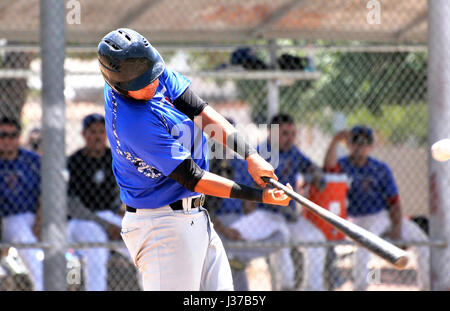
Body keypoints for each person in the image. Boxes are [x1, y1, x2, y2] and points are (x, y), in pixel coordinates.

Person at [97, 28, 291, 291]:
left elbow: (199, 111)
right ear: (119, 86)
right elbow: (193, 178)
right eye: (144, 83)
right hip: (161, 227)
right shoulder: (134, 123)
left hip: (194, 216)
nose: (154, 82)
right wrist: (261, 197)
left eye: (154, 74)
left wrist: (251, 155)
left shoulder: (146, 69)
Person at [323, 125, 430, 290]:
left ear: (371, 146)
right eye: (356, 142)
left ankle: (428, 285)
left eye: (365, 143)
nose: (360, 147)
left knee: (422, 240)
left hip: (383, 215)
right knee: (365, 244)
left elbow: (394, 201)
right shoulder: (343, 165)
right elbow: (328, 167)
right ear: (349, 145)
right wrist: (336, 140)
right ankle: (360, 286)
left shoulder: (380, 168)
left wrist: (397, 229)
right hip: (357, 218)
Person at [229, 114, 328, 291]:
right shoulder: (258, 154)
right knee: (281, 243)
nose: (290, 138)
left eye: (292, 134)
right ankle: (285, 287)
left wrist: (314, 175)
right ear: (271, 133)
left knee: (316, 239)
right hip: (266, 215)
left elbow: (311, 168)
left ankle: (313, 288)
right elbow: (247, 193)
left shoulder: (293, 152)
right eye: (285, 134)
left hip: (289, 216)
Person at [205, 118, 290, 291]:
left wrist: (251, 221)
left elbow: (248, 203)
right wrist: (225, 229)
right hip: (216, 223)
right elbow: (205, 207)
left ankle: (239, 257)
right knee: (231, 274)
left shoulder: (241, 164)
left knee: (280, 234)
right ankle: (236, 256)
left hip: (240, 221)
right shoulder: (205, 164)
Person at [66, 113, 133, 291]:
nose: (97, 136)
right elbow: (73, 207)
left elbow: (122, 199)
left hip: (108, 218)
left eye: (101, 132)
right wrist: (106, 225)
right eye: (92, 131)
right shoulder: (74, 162)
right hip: (80, 221)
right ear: (83, 135)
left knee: (140, 243)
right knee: (97, 243)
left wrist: (123, 219)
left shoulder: (116, 160)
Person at [0, 117, 43, 291]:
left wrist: (40, 222)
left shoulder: (32, 161)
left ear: (19, 137)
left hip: (35, 217)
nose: (7, 140)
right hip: (7, 218)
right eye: (3, 135)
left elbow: (46, 195)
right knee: (19, 230)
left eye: (12, 135)